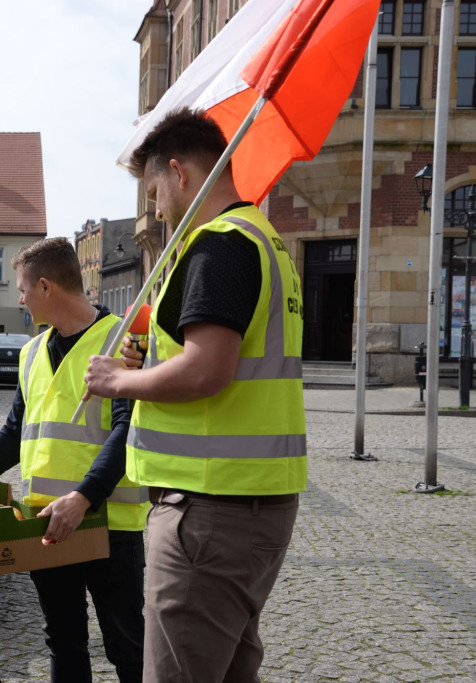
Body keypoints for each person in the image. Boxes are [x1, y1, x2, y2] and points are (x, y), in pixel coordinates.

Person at [83, 107, 307, 683]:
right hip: (246, 503)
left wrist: (118, 381)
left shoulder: (219, 245)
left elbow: (208, 371)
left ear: (180, 174)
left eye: (153, 191)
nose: (155, 211)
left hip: (210, 507)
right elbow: (215, 358)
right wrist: (150, 361)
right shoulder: (264, 240)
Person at [0, 237, 149, 683]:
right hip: (45, 523)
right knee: (63, 640)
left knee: (128, 646)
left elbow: (128, 431)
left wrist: (83, 497)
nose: (20, 297)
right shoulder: (31, 353)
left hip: (110, 524)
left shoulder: (121, 343)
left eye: (23, 288)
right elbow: (15, 433)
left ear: (46, 287)